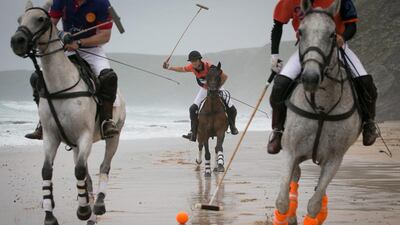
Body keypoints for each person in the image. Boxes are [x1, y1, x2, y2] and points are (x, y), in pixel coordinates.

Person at [267, 0, 378, 154]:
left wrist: (343, 37)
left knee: (365, 82)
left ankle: (368, 123)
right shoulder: (288, 2)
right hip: (307, 49)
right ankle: (278, 131)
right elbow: (277, 26)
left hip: (336, 46)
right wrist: (274, 55)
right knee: (280, 85)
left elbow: (351, 25)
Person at [25, 0, 119, 139]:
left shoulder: (101, 3)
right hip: (65, 48)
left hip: (91, 49)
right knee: (37, 78)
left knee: (109, 78)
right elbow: (48, 24)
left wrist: (80, 43)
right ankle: (42, 123)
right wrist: (62, 35)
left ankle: (106, 121)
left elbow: (105, 36)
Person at [163, 50, 239, 142]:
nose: (193, 63)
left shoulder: (210, 67)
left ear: (200, 60)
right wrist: (169, 67)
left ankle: (232, 127)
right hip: (204, 89)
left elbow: (225, 77)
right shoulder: (191, 67)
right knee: (192, 109)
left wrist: (217, 88)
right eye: (192, 61)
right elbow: (182, 69)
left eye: (195, 60)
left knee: (232, 109)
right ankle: (193, 132)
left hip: (217, 88)